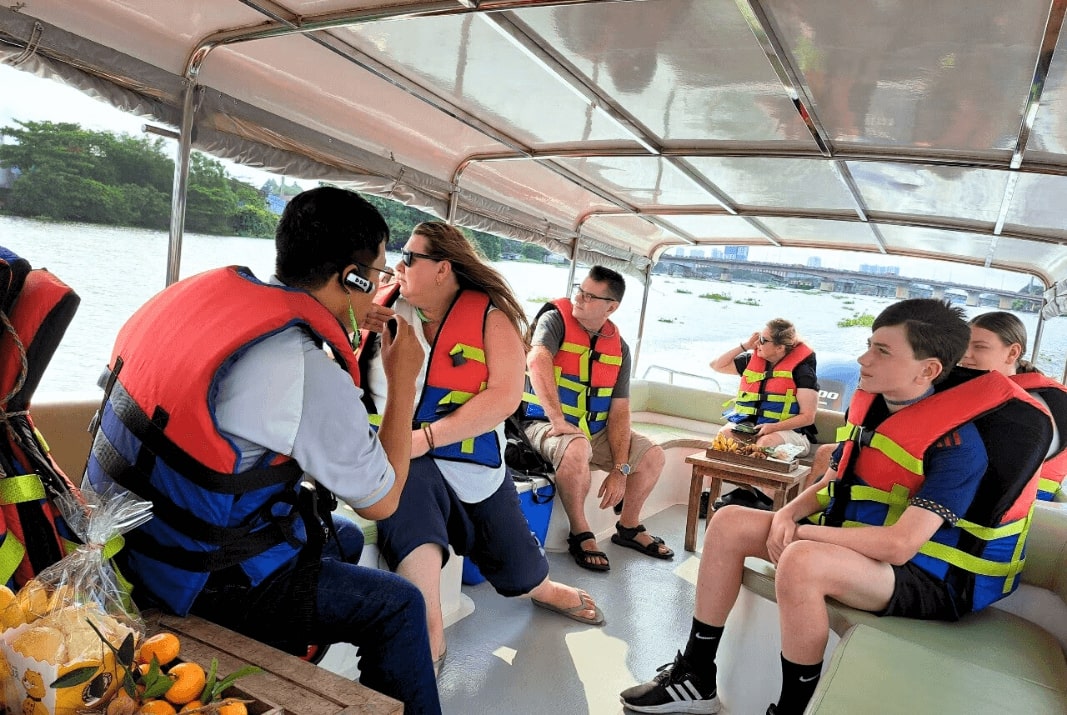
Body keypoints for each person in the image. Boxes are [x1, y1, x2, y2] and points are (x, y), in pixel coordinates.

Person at [83, 187, 441, 714]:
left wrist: (342, 318)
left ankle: (282, 656)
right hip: (200, 579)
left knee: (338, 535)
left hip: (129, 539)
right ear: (352, 278)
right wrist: (402, 381)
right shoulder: (303, 369)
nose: (380, 291)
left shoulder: (194, 302)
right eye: (378, 276)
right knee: (399, 605)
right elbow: (382, 501)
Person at [621, 298, 1051, 715]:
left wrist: (801, 533)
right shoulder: (876, 410)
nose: (863, 359)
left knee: (803, 559)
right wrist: (787, 514)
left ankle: (793, 708)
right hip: (863, 554)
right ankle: (696, 675)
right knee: (730, 521)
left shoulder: (959, 445)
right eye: (868, 344)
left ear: (929, 370)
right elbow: (833, 481)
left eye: (881, 351)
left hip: (926, 577)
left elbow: (901, 545)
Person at [359, 222, 604, 672]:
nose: (400, 265)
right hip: (396, 457)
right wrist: (356, 321)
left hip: (472, 459)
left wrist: (426, 438)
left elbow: (505, 396)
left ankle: (541, 587)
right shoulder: (381, 308)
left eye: (411, 258)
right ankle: (430, 628)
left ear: (442, 269)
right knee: (406, 503)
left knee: (516, 558)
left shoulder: (491, 317)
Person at [520, 266, 673, 573]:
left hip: (594, 430)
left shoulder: (619, 348)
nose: (579, 298)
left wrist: (620, 468)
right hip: (542, 424)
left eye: (590, 296)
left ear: (611, 307)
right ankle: (580, 533)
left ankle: (628, 527)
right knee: (576, 447)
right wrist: (558, 419)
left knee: (653, 456)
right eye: (580, 290)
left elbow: (618, 411)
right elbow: (537, 360)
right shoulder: (555, 321)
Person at [707, 319, 819, 508]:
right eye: (758, 338)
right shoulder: (753, 360)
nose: (757, 343)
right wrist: (744, 345)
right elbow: (716, 365)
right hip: (756, 428)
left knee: (765, 444)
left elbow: (808, 416)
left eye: (763, 340)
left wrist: (773, 427)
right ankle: (713, 496)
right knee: (725, 436)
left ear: (780, 347)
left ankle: (764, 501)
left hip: (792, 434)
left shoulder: (802, 371)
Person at [961, 311, 1066, 500]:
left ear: (1012, 353)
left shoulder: (1025, 409)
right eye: (963, 346)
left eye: (980, 347)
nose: (965, 355)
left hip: (1019, 515)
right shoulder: (1000, 397)